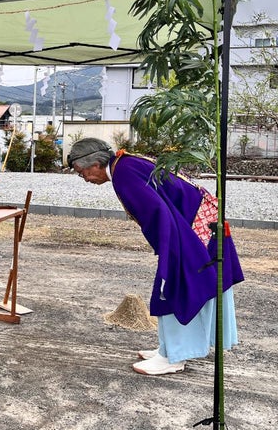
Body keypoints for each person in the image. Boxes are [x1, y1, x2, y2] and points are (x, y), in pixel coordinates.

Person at [67, 138, 243, 376]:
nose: (85, 179)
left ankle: (173, 357)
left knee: (174, 289)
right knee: (177, 288)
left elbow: (158, 213)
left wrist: (169, 250)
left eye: (82, 173)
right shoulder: (126, 163)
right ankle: (168, 348)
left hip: (190, 231)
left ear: (95, 164)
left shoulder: (124, 175)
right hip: (197, 224)